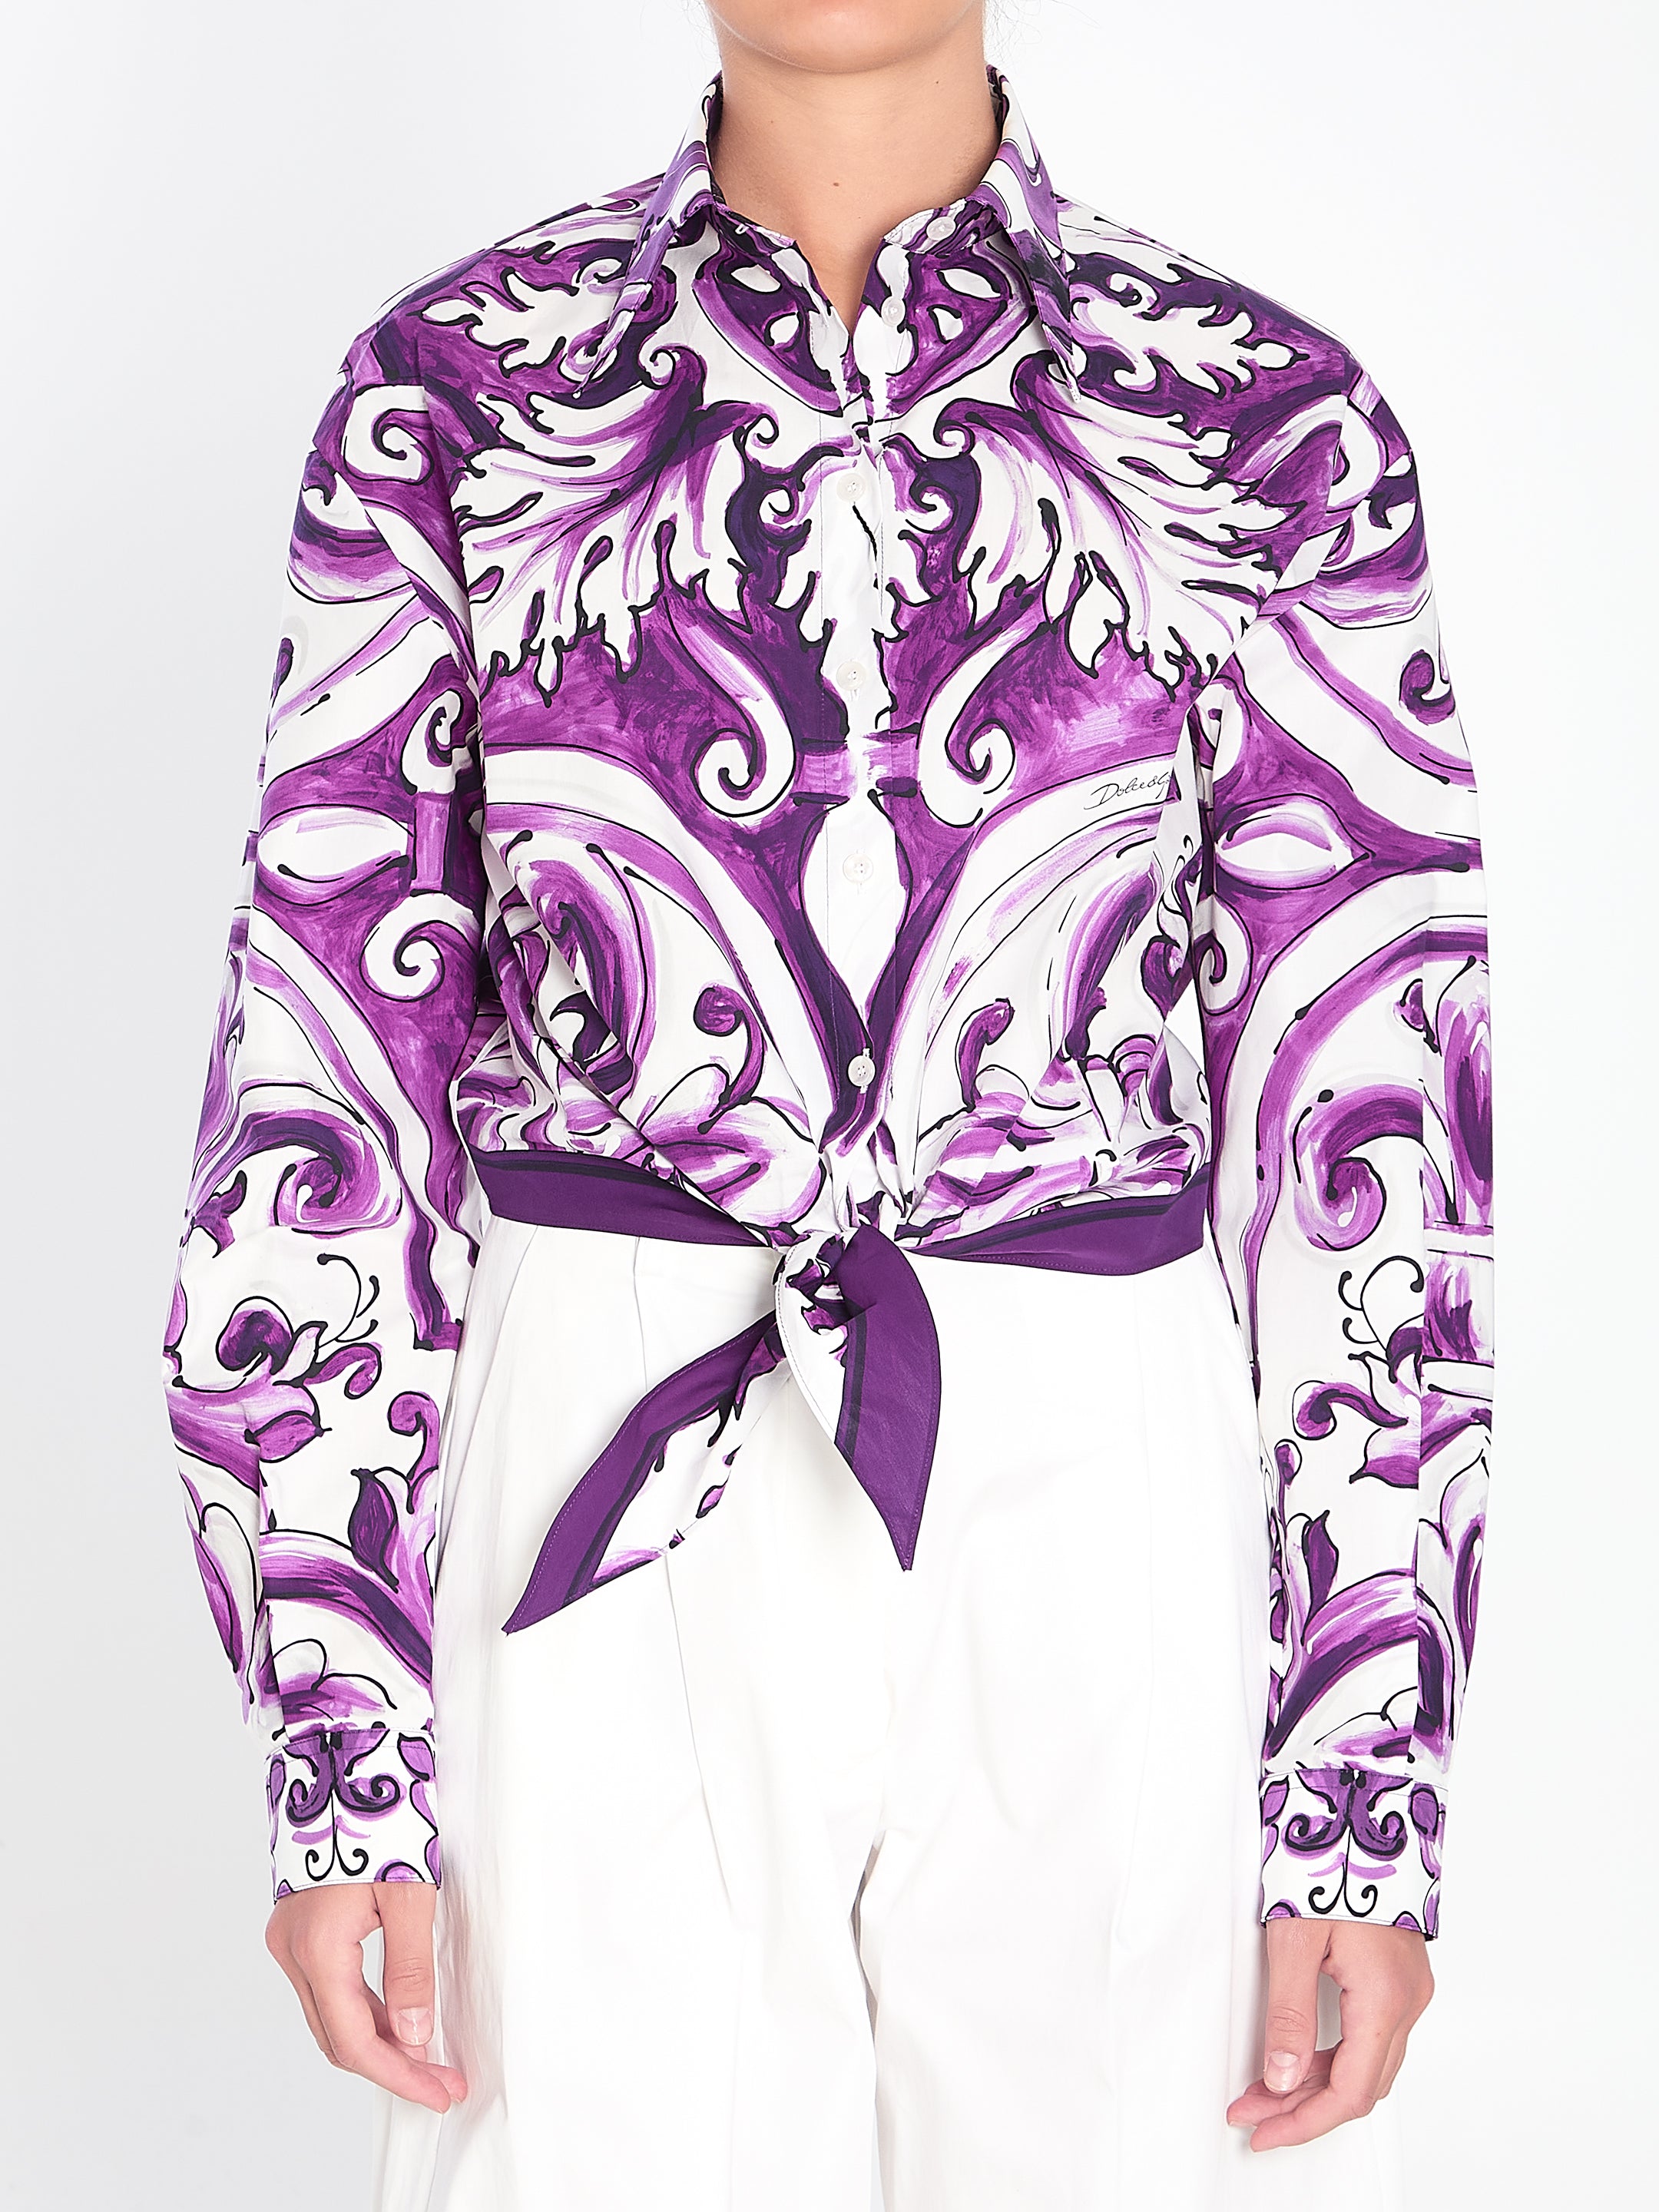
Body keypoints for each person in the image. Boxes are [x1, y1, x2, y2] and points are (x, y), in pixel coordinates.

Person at [161, 3, 1493, 2207]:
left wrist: (1363, 1782)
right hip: (604, 1418)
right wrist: (339, 1744)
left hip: (1091, 1435)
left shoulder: (1266, 422)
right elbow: (325, 1067)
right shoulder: (457, 397)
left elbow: (1376, 1118)